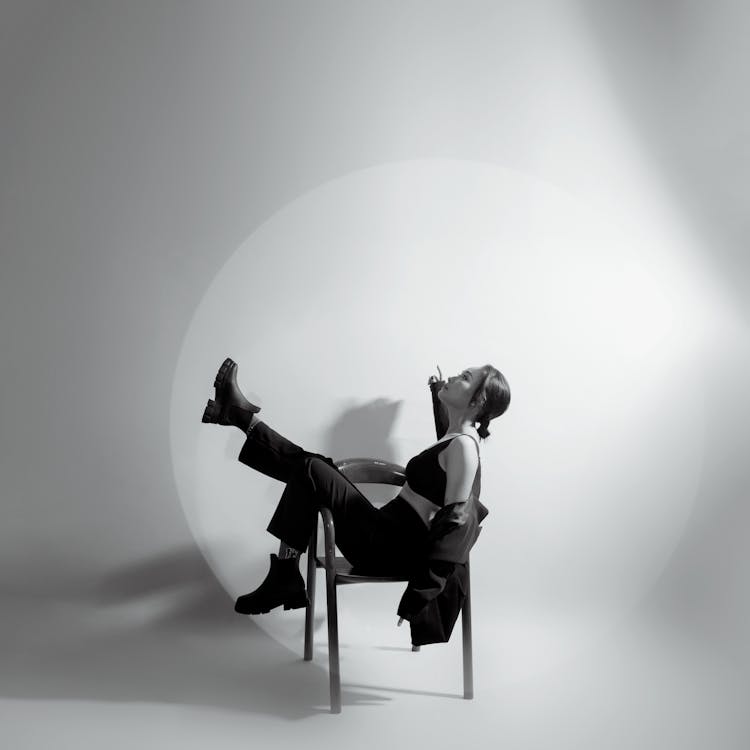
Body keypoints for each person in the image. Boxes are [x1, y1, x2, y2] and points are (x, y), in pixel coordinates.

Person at [201, 357, 511, 634]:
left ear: (477, 401)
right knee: (313, 469)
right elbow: (447, 439)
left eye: (465, 378)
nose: (457, 377)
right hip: (383, 532)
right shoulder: (457, 439)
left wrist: (420, 594)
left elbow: (455, 525)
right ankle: (240, 418)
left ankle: (240, 418)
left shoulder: (465, 448)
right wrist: (438, 390)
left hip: (388, 548)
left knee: (312, 469)